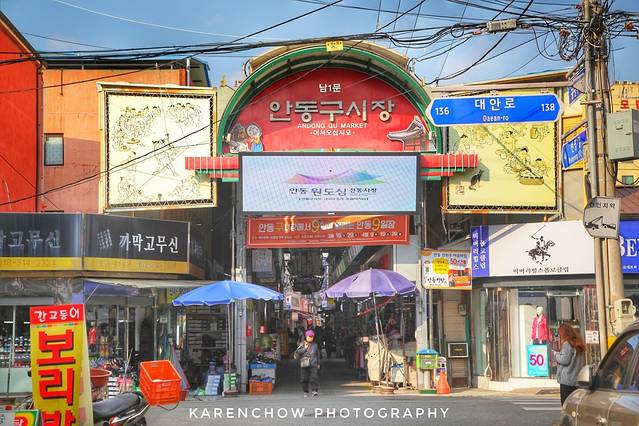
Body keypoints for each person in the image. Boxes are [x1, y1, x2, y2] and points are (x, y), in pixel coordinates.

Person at [553, 323, 585, 406]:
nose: (560, 336)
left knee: (565, 405)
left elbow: (565, 360)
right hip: (576, 380)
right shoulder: (577, 343)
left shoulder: (567, 344)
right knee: (574, 405)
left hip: (567, 380)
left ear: (564, 334)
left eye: (560, 334)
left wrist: (556, 355)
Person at [294, 329, 320, 397]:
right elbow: (298, 352)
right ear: (306, 337)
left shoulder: (315, 345)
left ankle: (314, 391)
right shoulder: (302, 344)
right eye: (309, 336)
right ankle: (305, 391)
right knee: (304, 379)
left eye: (312, 337)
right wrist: (305, 348)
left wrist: (318, 363)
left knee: (314, 378)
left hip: (313, 364)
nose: (311, 338)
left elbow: (317, 354)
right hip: (304, 364)